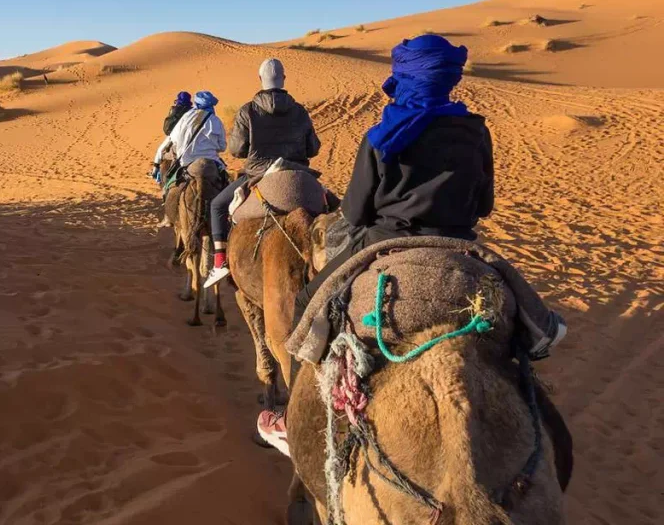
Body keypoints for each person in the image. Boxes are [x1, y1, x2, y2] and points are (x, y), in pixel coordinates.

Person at [256, 34, 494, 456]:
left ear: (404, 76)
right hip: (457, 243)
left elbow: (356, 212)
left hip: (384, 239)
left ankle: (294, 419)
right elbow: (484, 204)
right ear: (446, 78)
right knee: (512, 301)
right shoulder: (475, 130)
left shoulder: (385, 135)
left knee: (310, 299)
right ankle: (541, 333)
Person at [204, 58, 320, 288]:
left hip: (258, 174)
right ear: (283, 79)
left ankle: (219, 262)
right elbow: (313, 148)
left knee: (217, 205)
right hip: (297, 173)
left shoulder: (248, 111)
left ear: (260, 80)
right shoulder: (299, 111)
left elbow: (237, 150)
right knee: (336, 208)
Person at [151, 90, 227, 187]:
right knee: (226, 181)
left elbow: (174, 138)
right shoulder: (216, 121)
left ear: (196, 103)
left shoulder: (186, 117)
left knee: (169, 184)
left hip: (186, 161)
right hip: (211, 161)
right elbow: (222, 147)